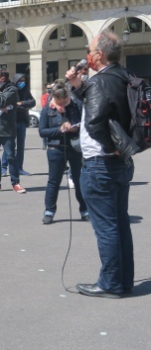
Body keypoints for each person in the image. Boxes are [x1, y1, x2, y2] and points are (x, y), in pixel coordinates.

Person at [66, 29, 134, 299]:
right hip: (121, 161)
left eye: (90, 51)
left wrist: (104, 145)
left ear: (100, 55)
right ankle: (123, 280)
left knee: (106, 227)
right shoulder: (124, 76)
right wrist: (79, 87)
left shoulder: (100, 81)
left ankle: (110, 283)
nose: (87, 56)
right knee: (120, 224)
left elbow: (94, 121)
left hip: (100, 164)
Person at [38, 80, 88, 225]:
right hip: (56, 148)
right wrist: (59, 129)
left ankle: (84, 210)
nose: (63, 104)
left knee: (79, 180)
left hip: (74, 147)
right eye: (60, 102)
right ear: (54, 98)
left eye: (65, 100)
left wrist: (75, 128)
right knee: (54, 181)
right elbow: (42, 131)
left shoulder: (75, 105)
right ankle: (49, 211)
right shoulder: (48, 109)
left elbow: (84, 124)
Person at [1, 74, 36, 177]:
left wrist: (22, 103)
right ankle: (3, 168)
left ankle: (19, 168)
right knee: (9, 145)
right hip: (12, 121)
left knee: (21, 146)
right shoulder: (11, 89)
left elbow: (32, 102)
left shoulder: (25, 90)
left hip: (21, 121)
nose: (22, 82)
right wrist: (16, 105)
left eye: (24, 80)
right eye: (20, 80)